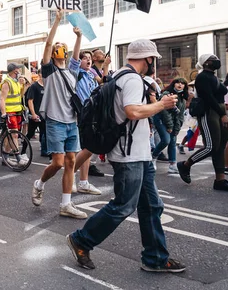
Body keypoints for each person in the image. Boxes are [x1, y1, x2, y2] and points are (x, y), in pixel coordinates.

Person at [67, 39, 186, 274]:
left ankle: (155, 258)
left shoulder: (120, 75)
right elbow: (132, 111)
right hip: (129, 154)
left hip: (138, 153)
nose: (154, 64)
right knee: (123, 206)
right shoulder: (131, 79)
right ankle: (82, 239)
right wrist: (161, 105)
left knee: (151, 206)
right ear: (148, 59)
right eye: (153, 60)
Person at [31, 11, 88, 219]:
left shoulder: (72, 71)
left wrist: (78, 37)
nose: (59, 49)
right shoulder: (49, 71)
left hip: (72, 122)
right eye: (57, 48)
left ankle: (66, 204)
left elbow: (76, 56)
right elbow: (47, 45)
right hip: (55, 122)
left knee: (71, 161)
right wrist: (56, 20)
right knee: (57, 163)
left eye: (61, 47)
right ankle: (39, 184)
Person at [178, 54, 228, 191]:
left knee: (220, 146)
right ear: (205, 63)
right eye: (213, 59)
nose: (217, 61)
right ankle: (185, 165)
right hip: (209, 112)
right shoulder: (202, 77)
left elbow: (222, 90)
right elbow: (209, 97)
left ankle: (220, 180)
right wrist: (223, 114)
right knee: (211, 146)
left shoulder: (212, 77)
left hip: (217, 111)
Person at [69, 50, 103, 195]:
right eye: (85, 58)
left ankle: (84, 182)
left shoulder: (91, 75)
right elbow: (74, 61)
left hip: (92, 113)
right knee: (84, 148)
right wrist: (79, 38)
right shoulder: (75, 73)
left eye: (89, 58)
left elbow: (101, 86)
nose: (88, 61)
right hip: (81, 113)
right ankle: (70, 177)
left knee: (89, 148)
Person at [152, 78, 188, 174]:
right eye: (178, 83)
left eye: (182, 83)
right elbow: (164, 111)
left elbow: (180, 116)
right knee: (166, 140)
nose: (180, 85)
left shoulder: (183, 99)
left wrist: (176, 129)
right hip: (160, 118)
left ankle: (172, 165)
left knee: (173, 140)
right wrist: (169, 126)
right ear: (174, 84)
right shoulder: (167, 94)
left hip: (171, 122)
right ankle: (153, 157)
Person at [0, 63, 28, 164]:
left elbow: (20, 95)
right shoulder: (7, 82)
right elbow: (2, 98)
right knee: (14, 135)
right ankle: (18, 157)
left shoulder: (16, 82)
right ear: (15, 71)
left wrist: (24, 85)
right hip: (10, 112)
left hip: (17, 111)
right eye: (18, 69)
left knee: (11, 136)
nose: (19, 71)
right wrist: (3, 113)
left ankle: (5, 157)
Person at [25, 70, 47, 157]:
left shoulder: (47, 86)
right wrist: (33, 114)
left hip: (44, 114)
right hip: (36, 114)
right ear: (40, 75)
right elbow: (30, 101)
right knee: (30, 133)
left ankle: (46, 152)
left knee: (45, 133)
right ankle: (23, 152)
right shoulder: (34, 86)